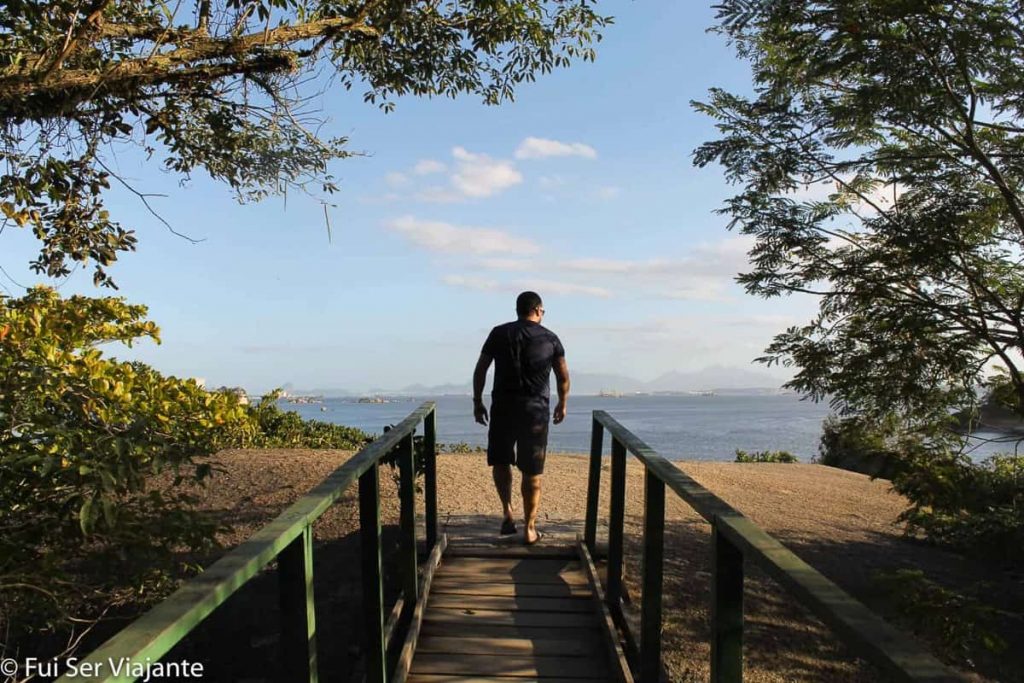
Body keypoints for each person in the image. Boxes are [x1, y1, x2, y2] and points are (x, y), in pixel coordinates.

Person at [472, 291, 570, 545]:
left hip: (503, 408)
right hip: (535, 412)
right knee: (532, 471)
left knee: (501, 461)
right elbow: (563, 377)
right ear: (537, 310)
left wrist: (477, 401)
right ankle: (529, 528)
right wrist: (563, 403)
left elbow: (481, 368)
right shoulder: (550, 338)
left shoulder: (498, 333)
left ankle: (507, 511)